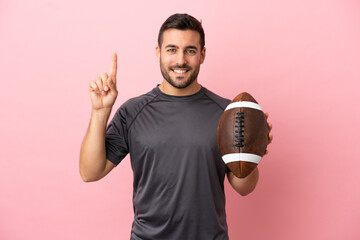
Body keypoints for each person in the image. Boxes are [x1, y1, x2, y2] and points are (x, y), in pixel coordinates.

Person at [80, 13, 273, 240]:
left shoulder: (228, 114)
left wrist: (251, 152)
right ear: (158, 53)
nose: (180, 60)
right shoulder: (132, 111)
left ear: (202, 55)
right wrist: (100, 111)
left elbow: (244, 188)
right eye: (172, 49)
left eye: (190, 50)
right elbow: (89, 172)